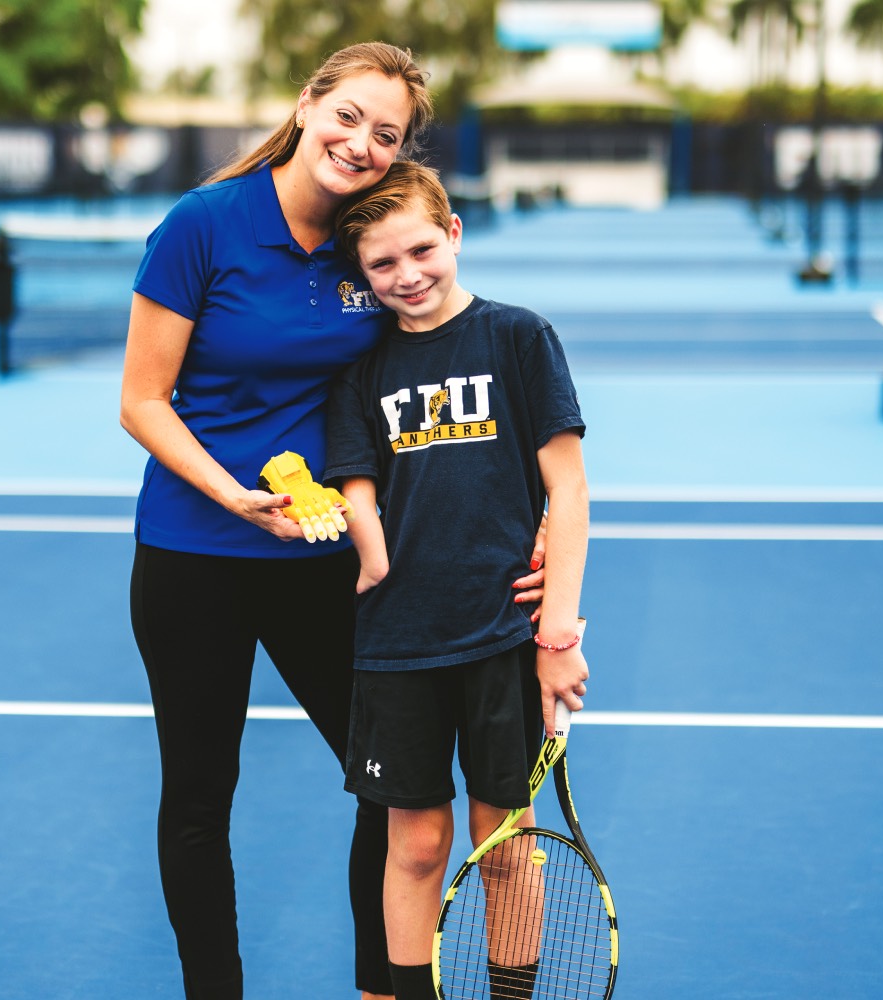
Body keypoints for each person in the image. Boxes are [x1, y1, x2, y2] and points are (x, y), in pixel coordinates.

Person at [119, 43, 547, 1000]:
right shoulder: (202, 225)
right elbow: (142, 401)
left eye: (385, 134)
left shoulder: (373, 236)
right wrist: (231, 495)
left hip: (330, 558)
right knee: (198, 799)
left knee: (391, 788)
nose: (360, 142)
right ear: (309, 104)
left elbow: (444, 386)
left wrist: (541, 513)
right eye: (348, 116)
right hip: (195, 556)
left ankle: (380, 985)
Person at [324, 161, 590, 1000]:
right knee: (417, 846)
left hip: (503, 641)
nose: (407, 275)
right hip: (396, 646)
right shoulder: (359, 377)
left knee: (507, 846)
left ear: (454, 234)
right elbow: (358, 495)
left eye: (420, 250)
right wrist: (354, 537)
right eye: (382, 264)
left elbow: (570, 490)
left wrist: (556, 632)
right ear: (361, 277)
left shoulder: (518, 338)